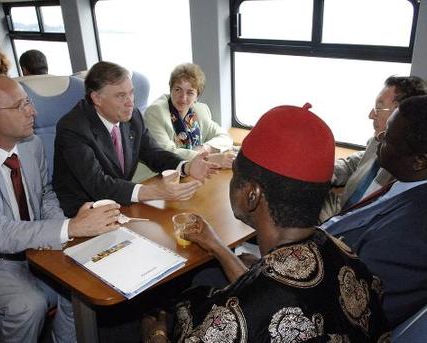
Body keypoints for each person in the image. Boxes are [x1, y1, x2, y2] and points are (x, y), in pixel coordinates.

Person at [141, 104, 388, 342]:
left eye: (236, 172)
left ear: (251, 195)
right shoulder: (345, 254)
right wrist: (218, 247)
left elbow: (260, 302)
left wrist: (156, 335)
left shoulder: (233, 320)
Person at [0, 75, 121, 342]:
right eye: (20, 106)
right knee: (28, 306)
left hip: (36, 245)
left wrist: (65, 231)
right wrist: (69, 227)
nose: (33, 112)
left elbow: (45, 194)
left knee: (79, 292)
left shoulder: (31, 145)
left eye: (29, 102)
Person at [53, 61, 218, 217]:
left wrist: (186, 167)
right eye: (120, 96)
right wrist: (156, 192)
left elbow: (154, 153)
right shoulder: (73, 128)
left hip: (121, 204)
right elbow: (98, 184)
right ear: (97, 98)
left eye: (131, 93)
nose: (130, 103)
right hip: (86, 211)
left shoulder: (133, 117)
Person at [322, 95, 427, 329]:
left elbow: (344, 307)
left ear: (419, 161)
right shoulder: (407, 184)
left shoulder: (410, 232)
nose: (379, 137)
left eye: (388, 137)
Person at [320, 76, 427, 222]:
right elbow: (354, 163)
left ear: (398, 111)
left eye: (378, 107)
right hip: (340, 210)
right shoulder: (376, 142)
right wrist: (324, 172)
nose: (371, 115)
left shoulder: (404, 166)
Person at [144, 63, 234, 168]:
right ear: (171, 90)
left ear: (197, 97)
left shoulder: (200, 111)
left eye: (190, 92)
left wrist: (205, 148)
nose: (183, 98)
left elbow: (225, 137)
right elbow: (167, 153)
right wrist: (207, 158)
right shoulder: (155, 113)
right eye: (178, 89)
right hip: (155, 176)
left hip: (189, 171)